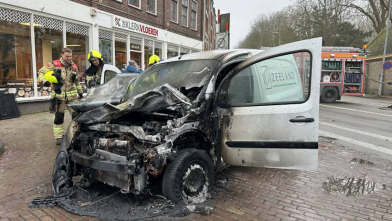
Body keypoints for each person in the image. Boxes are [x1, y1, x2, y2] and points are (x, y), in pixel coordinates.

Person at [37, 48, 83, 145]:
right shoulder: (54, 64)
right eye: (67, 56)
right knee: (59, 117)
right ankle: (58, 137)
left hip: (72, 97)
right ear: (62, 55)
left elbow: (77, 81)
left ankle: (77, 134)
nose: (69, 58)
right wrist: (45, 82)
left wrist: (80, 93)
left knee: (77, 116)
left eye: (70, 56)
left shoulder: (74, 66)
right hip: (58, 97)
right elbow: (40, 72)